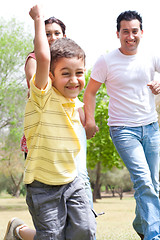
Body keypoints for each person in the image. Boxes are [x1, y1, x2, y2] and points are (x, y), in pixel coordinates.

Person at [4, 5, 96, 240]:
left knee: (85, 230)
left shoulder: (73, 102)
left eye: (79, 73)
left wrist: (90, 122)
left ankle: (20, 232)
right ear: (51, 76)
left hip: (71, 180)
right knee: (51, 237)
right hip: (43, 185)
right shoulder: (42, 94)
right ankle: (19, 231)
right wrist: (38, 19)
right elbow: (43, 57)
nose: (74, 80)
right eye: (66, 73)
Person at [83, 10, 160, 240]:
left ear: (141, 32)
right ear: (118, 33)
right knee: (144, 181)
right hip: (123, 129)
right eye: (125, 31)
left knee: (153, 183)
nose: (130, 36)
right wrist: (89, 121)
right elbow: (90, 93)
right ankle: (153, 235)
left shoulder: (151, 56)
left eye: (134, 31)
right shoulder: (106, 61)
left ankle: (141, 223)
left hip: (151, 127)